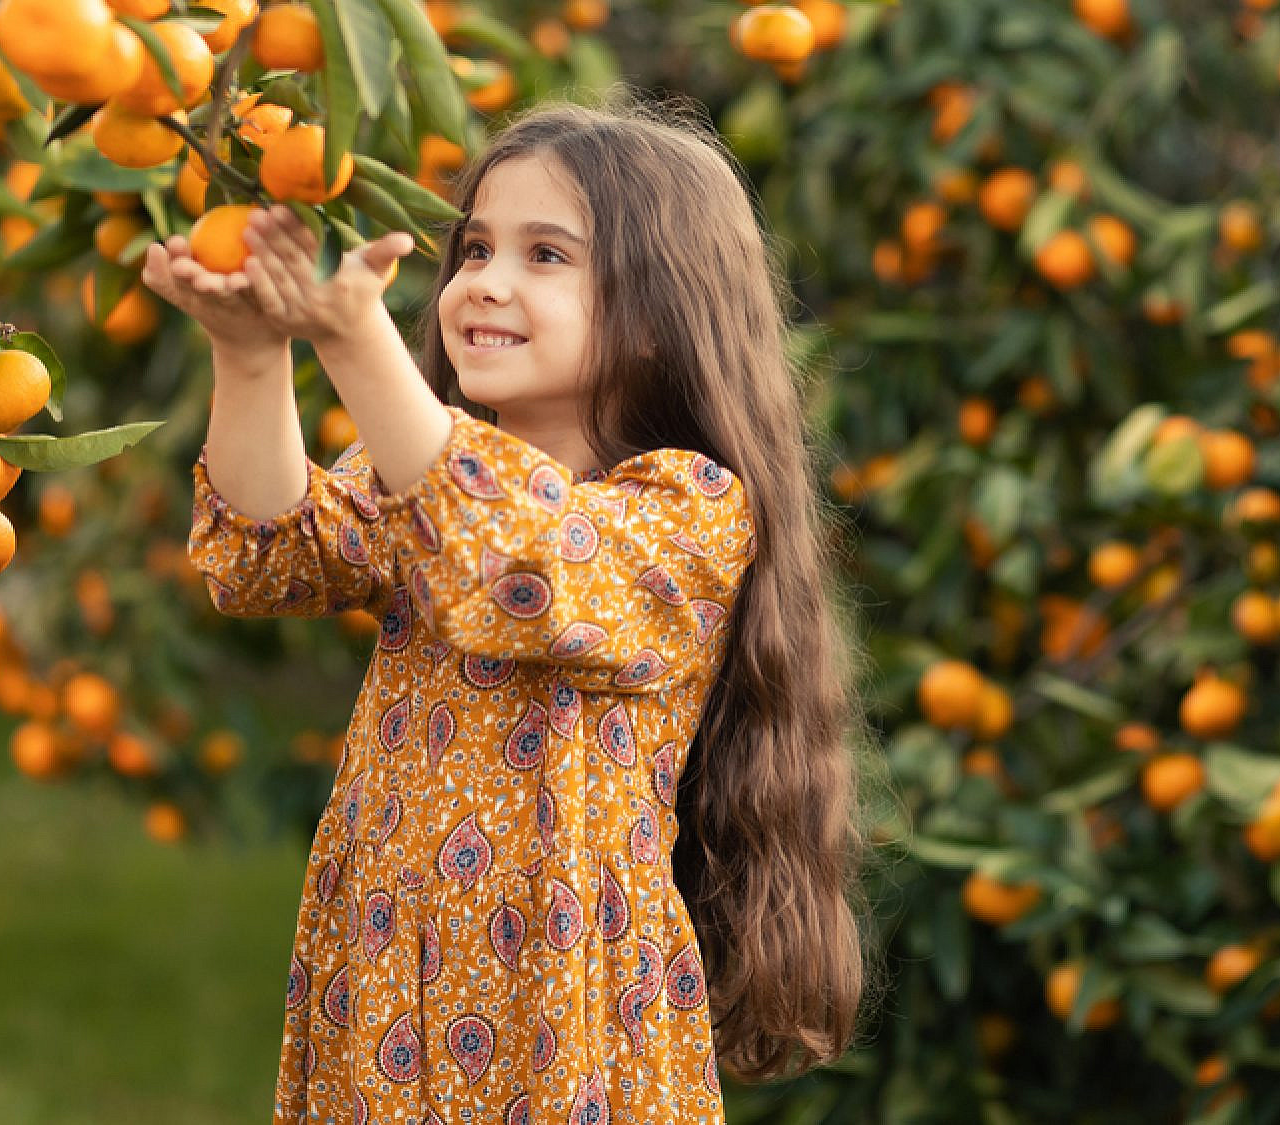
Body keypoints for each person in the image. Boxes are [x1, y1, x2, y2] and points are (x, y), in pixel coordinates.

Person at [143, 90, 877, 1123]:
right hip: (391, 983)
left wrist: (357, 346)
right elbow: (267, 557)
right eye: (475, 249)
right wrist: (251, 353)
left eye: (545, 255)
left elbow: (520, 574)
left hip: (561, 1007)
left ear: (665, 312)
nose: (482, 283)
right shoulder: (426, 475)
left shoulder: (688, 511)